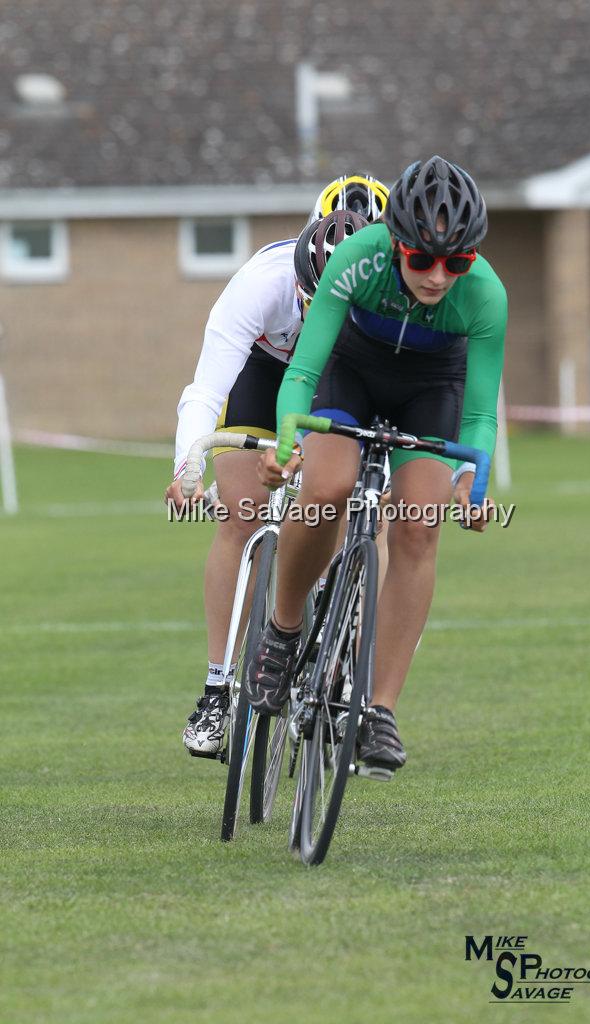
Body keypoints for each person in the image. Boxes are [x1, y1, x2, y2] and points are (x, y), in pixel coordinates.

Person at [245, 156, 507, 771]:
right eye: (421, 259)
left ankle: (379, 710)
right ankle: (282, 635)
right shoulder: (355, 256)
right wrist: (287, 443)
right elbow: (303, 372)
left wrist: (472, 482)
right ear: (394, 243)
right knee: (329, 486)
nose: (439, 277)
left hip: (431, 387)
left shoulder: (487, 296)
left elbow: (478, 420)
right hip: (350, 370)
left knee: (419, 525)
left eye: (457, 262)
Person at [165, 173, 388, 758]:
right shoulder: (261, 284)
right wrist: (189, 461)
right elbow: (208, 388)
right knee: (240, 518)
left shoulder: (388, 293)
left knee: (344, 503)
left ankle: (331, 660)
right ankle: (217, 688)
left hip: (339, 384)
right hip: (264, 376)